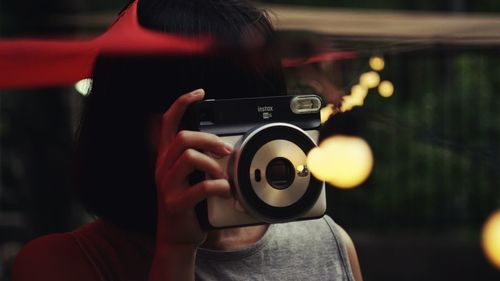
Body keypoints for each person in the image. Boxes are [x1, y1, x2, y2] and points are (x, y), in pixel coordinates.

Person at [12, 0, 362, 280]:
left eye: (256, 110)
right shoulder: (63, 264)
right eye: (210, 117)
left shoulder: (327, 243)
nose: (237, 143)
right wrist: (175, 252)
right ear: (127, 125)